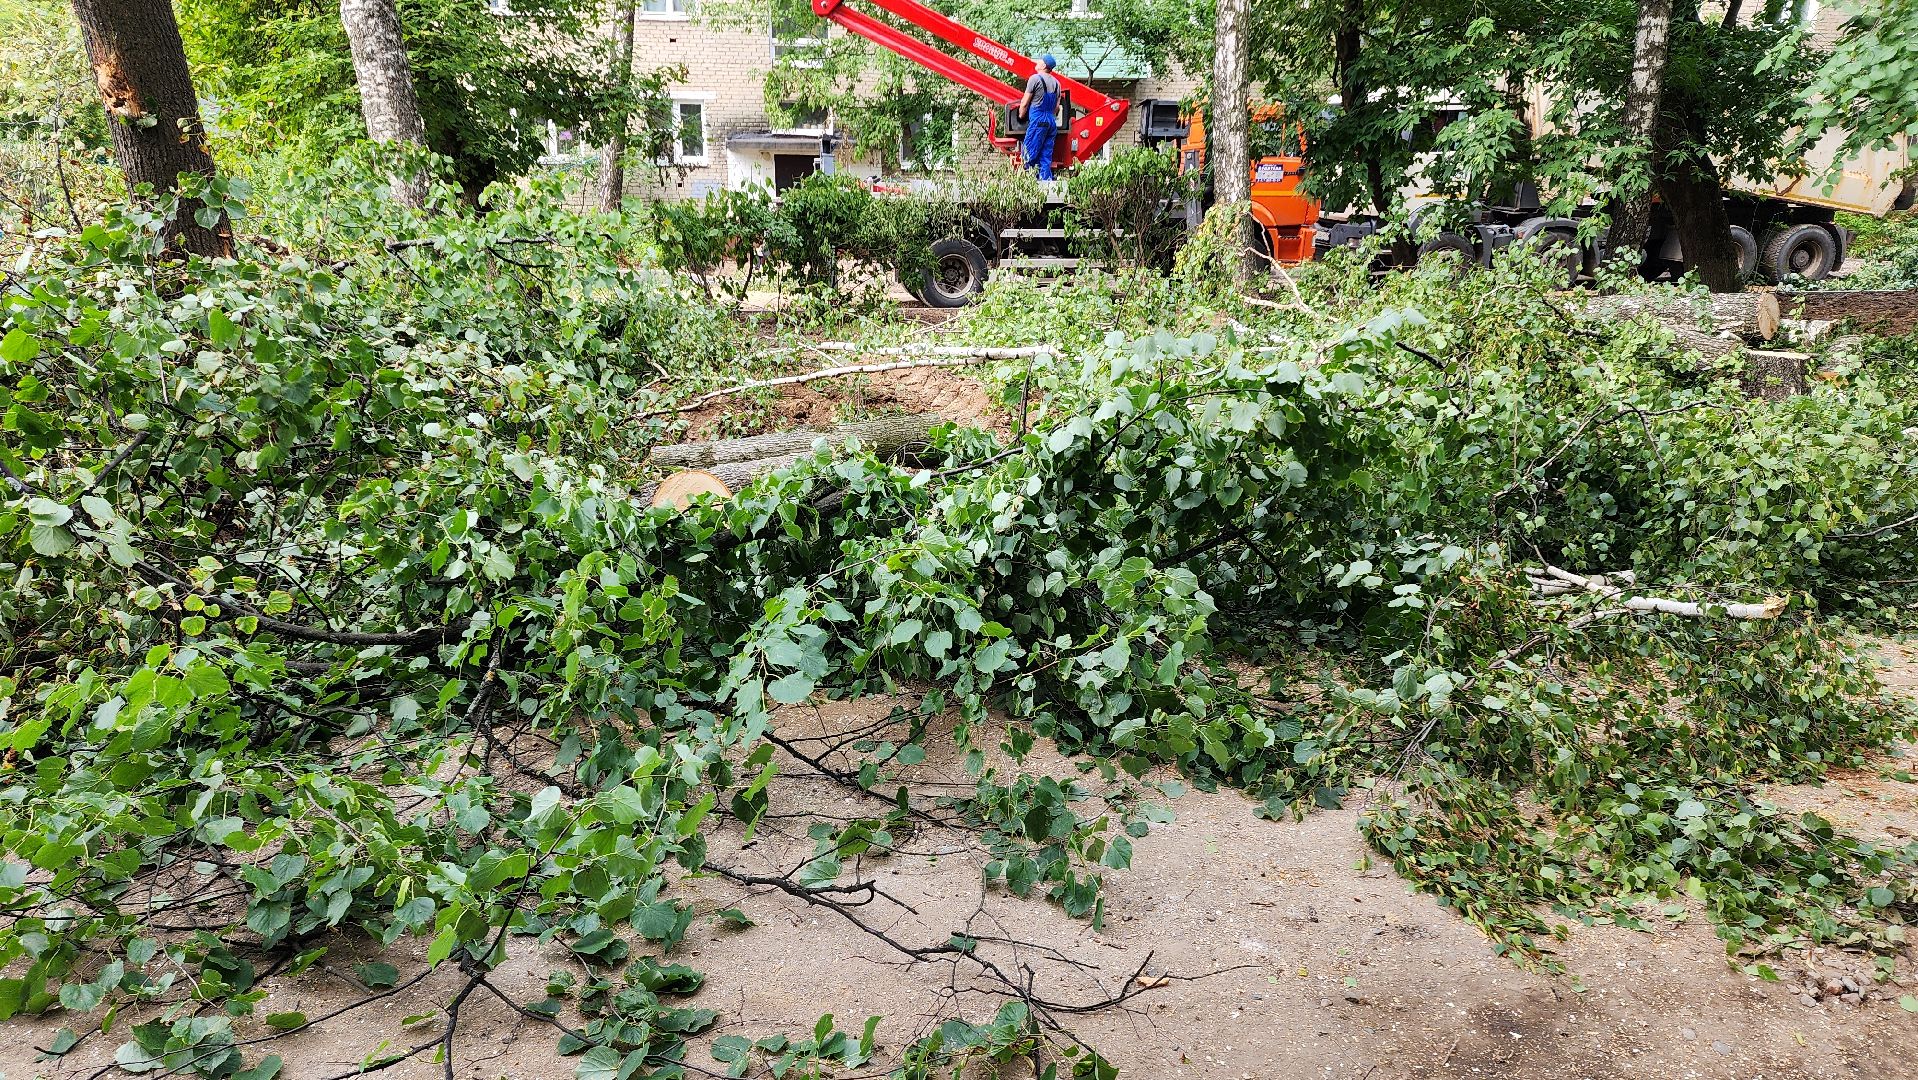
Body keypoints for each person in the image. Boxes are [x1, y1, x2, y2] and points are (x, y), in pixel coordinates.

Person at [1018, 54, 1062, 181]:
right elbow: (1057, 108)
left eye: (1039, 61)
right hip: (1051, 123)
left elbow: (1024, 103)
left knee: (1028, 154)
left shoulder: (1035, 79)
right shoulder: (1057, 84)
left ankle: (1028, 182)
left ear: (1043, 65)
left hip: (1038, 121)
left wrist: (1021, 116)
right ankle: (1045, 183)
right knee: (1045, 157)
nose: (1037, 62)